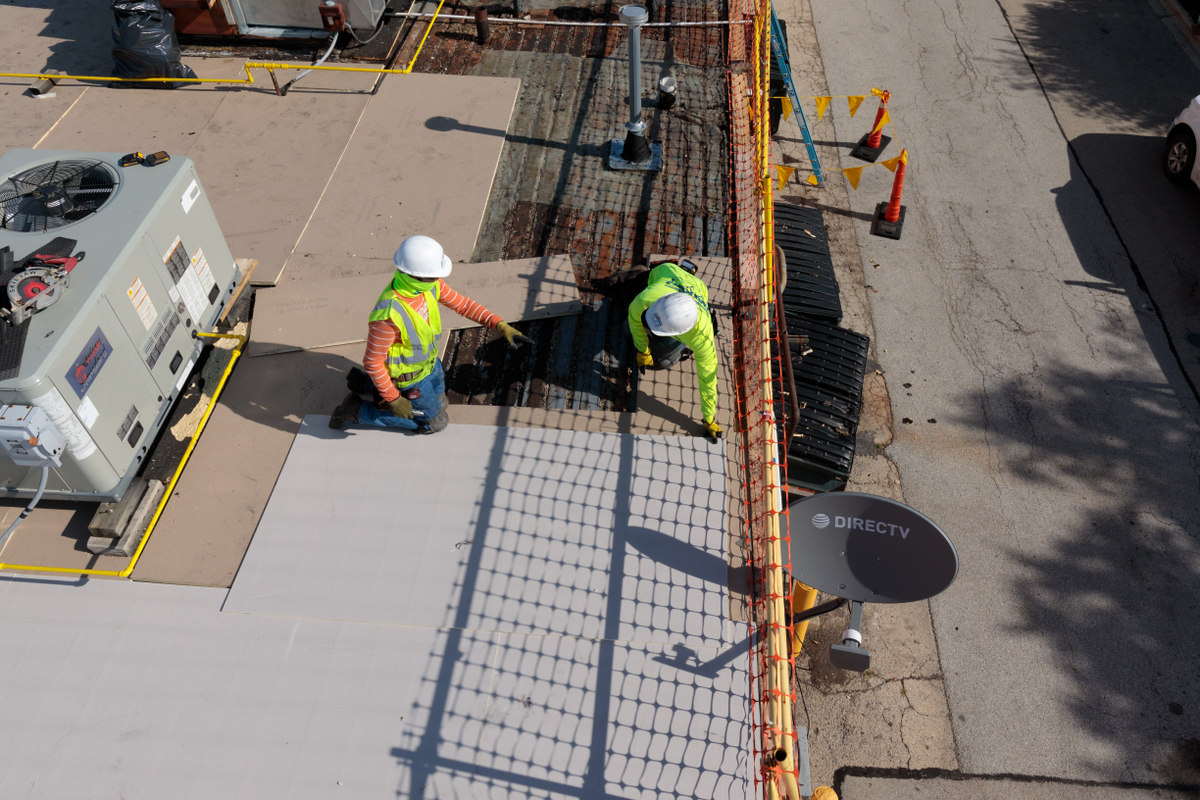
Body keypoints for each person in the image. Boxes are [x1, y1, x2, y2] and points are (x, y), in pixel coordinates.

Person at [329, 235, 531, 433]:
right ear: (416, 275)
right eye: (434, 275)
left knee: (441, 403)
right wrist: (394, 399)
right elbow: (373, 361)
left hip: (431, 364)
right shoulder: (388, 316)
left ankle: (362, 383)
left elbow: (464, 305)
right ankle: (357, 410)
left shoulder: (428, 285)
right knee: (436, 423)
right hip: (410, 379)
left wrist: (499, 324)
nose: (439, 279)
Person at [626, 258, 722, 442]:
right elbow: (635, 318)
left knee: (664, 361)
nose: (647, 326)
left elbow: (708, 378)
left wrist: (709, 418)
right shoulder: (648, 298)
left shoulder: (702, 337)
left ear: (680, 333)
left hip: (693, 286)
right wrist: (643, 351)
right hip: (666, 272)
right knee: (627, 327)